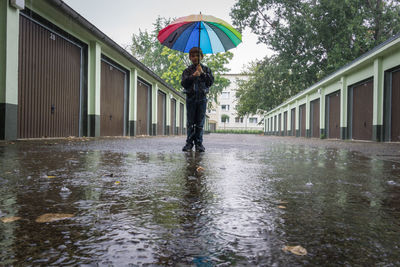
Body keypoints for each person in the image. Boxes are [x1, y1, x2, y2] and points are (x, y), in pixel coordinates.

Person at [181, 47, 214, 152]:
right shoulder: (187, 71)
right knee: (190, 122)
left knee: (200, 122)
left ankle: (199, 143)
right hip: (191, 98)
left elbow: (210, 82)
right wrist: (193, 75)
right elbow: (184, 83)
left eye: (198, 55)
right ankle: (189, 143)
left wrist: (202, 73)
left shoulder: (206, 69)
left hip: (202, 98)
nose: (195, 58)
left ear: (202, 57)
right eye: (193, 56)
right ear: (190, 57)